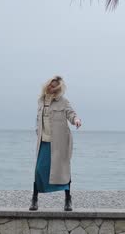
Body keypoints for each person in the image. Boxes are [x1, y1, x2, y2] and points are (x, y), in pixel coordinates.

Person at [30, 76, 82, 211]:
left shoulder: (63, 102)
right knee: (39, 170)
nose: (51, 87)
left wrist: (76, 119)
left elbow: (71, 113)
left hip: (59, 143)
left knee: (63, 170)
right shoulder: (41, 101)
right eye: (50, 85)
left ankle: (68, 199)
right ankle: (34, 198)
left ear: (58, 88)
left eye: (55, 86)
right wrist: (38, 131)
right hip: (44, 142)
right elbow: (38, 118)